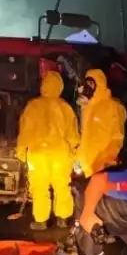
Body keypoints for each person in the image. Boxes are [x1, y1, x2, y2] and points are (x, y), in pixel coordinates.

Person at [17, 71, 79, 230]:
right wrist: (73, 152)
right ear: (60, 87)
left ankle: (41, 221)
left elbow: (26, 131)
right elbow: (73, 136)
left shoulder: (33, 105)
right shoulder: (66, 107)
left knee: (39, 186)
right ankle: (62, 218)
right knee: (62, 186)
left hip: (38, 154)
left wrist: (21, 151)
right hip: (60, 153)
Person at [75, 68, 126, 178]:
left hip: (101, 168)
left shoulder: (112, 106)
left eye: (91, 83)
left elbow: (117, 138)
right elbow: (85, 135)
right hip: (86, 168)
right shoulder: (87, 107)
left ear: (99, 84)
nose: (88, 87)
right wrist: (78, 158)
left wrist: (106, 161)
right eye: (86, 83)